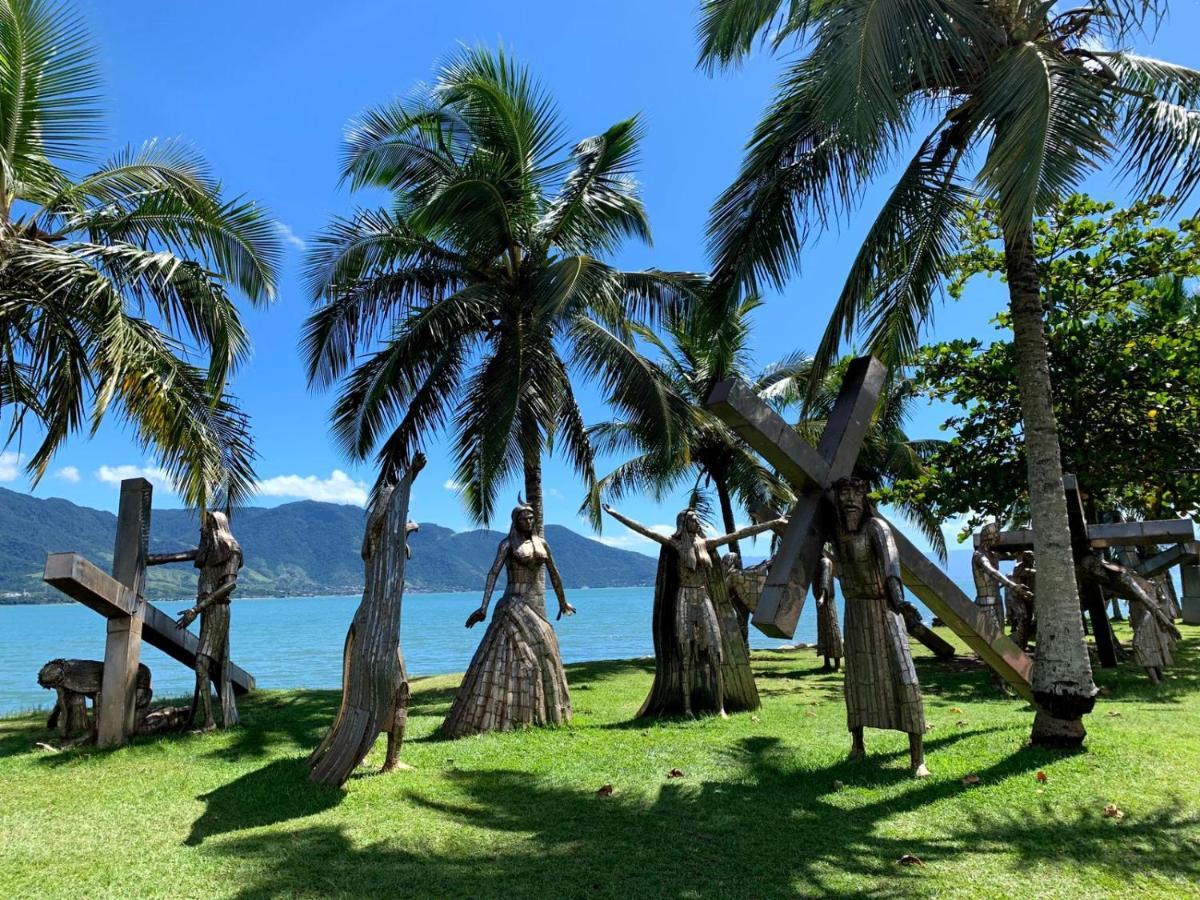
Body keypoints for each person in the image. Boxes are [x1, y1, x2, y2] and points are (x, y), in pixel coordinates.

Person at [604, 505, 786, 717]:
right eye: (692, 519)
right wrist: (616, 514)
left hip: (703, 599)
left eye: (697, 519)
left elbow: (738, 534)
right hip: (684, 599)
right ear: (683, 523)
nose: (697, 522)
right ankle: (687, 707)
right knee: (686, 654)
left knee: (715, 652)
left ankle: (720, 707)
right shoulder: (677, 544)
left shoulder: (705, 544)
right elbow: (647, 531)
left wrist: (772, 523)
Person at [441, 502, 575, 737]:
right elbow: (493, 573)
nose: (529, 521)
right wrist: (483, 607)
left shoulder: (541, 543)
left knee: (546, 652)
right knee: (506, 658)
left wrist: (563, 602)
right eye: (524, 518)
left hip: (536, 607)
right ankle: (499, 717)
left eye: (532, 518)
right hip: (513, 603)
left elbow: (554, 572)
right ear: (515, 521)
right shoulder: (507, 545)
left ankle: (546, 714)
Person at [828, 477, 928, 778]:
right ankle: (857, 745)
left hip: (883, 609)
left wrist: (899, 602)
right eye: (843, 494)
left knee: (904, 678)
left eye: (854, 493)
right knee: (857, 681)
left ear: (864, 497)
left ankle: (917, 757)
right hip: (855, 613)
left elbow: (891, 567)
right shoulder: (836, 533)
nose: (849, 500)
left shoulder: (877, 528)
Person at [175, 511, 242, 731]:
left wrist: (196, 609)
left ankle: (210, 721)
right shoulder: (209, 552)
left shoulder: (231, 548)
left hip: (217, 612)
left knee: (202, 664)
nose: (201, 531)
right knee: (204, 665)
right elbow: (177, 557)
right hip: (206, 611)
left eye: (205, 527)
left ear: (215, 525)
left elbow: (229, 585)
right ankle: (210, 718)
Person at [813, 549, 842, 671]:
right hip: (819, 603)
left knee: (832, 630)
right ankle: (826, 662)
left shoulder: (825, 562)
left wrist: (822, 597)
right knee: (823, 630)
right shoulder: (815, 564)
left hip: (827, 601)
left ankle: (837, 664)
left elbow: (825, 581)